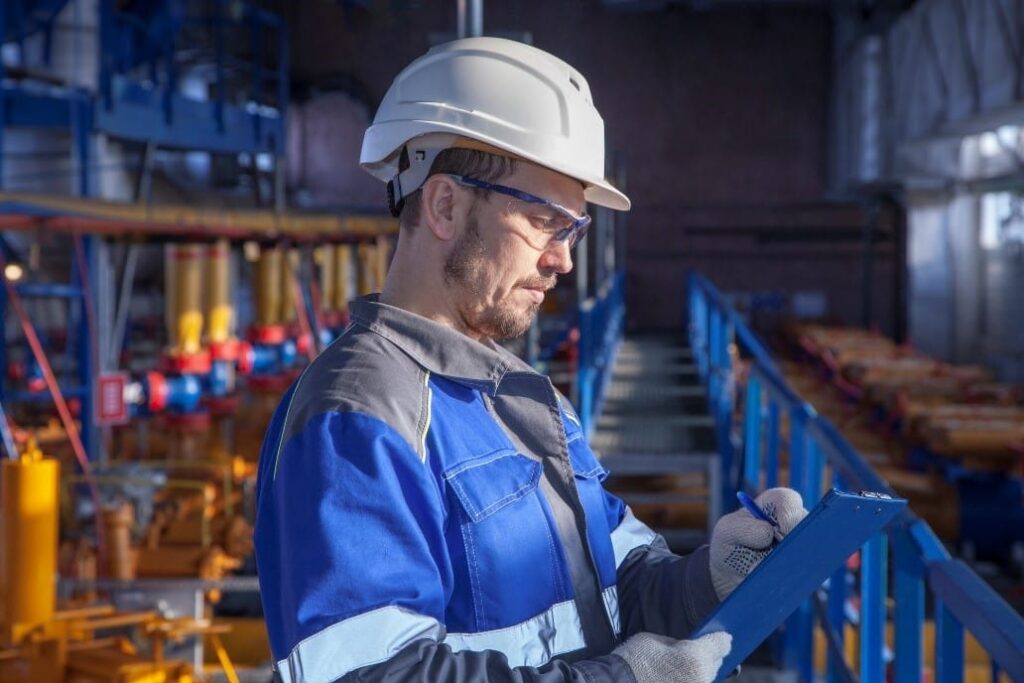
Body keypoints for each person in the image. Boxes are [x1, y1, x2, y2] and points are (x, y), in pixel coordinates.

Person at [254, 37, 807, 683]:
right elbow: (374, 674)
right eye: (545, 220)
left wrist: (711, 574)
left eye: (573, 229)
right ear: (444, 206)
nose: (563, 259)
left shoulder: (521, 397)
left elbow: (615, 584)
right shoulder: (360, 417)